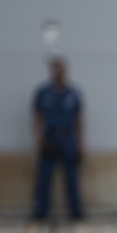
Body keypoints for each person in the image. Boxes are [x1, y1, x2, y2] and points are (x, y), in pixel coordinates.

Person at [31, 56, 85, 221]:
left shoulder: (73, 93)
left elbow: (79, 120)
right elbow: (36, 116)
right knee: (44, 177)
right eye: (56, 68)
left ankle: (75, 210)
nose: (59, 72)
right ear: (52, 71)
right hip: (49, 137)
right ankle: (41, 211)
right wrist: (38, 138)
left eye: (61, 68)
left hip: (67, 138)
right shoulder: (43, 93)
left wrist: (80, 143)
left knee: (71, 177)